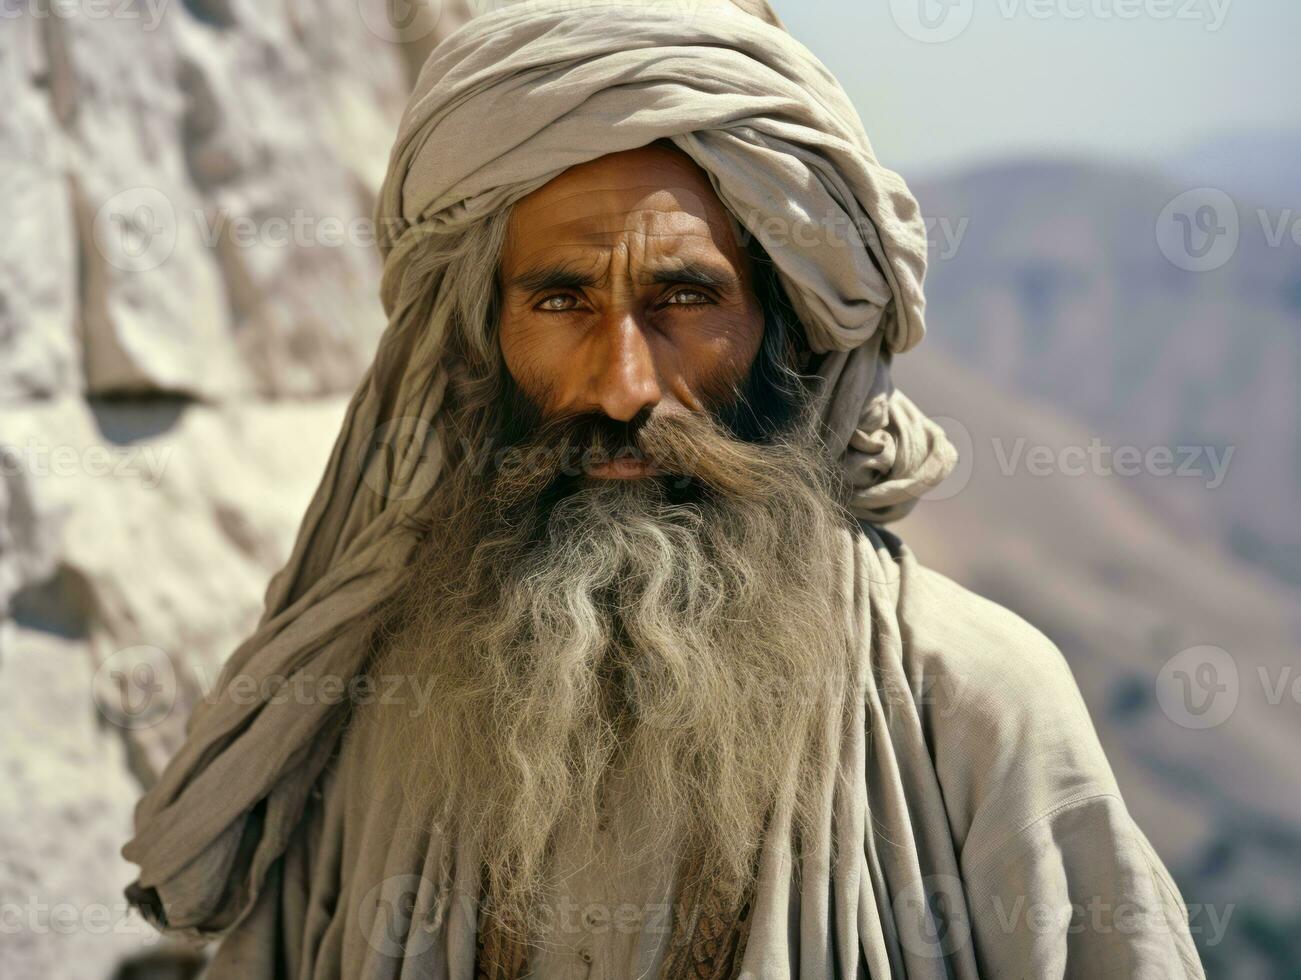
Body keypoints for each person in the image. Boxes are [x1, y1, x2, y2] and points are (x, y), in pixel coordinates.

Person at [123, 2, 1207, 977]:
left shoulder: (971, 707)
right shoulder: (384, 713)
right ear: (482, 338)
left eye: (682, 297)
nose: (621, 383)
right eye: (558, 300)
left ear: (786, 328)